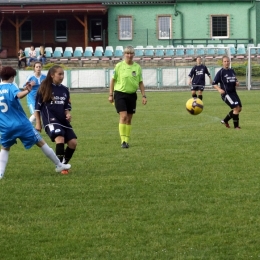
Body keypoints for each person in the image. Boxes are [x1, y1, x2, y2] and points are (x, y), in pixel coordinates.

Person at [0, 66, 71, 180]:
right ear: (12, 77)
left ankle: (0, 174)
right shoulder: (10, 86)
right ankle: (59, 165)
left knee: (5, 148)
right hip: (21, 124)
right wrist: (27, 90)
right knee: (41, 143)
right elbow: (18, 95)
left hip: (4, 126)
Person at [35, 65, 77, 174]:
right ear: (52, 75)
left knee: (73, 143)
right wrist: (38, 124)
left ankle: (63, 163)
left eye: (63, 74)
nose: (62, 76)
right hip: (50, 120)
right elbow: (37, 108)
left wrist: (68, 114)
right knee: (60, 138)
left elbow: (66, 107)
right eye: (59, 74)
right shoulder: (44, 88)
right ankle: (60, 167)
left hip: (63, 120)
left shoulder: (64, 90)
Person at [108, 45, 147, 148]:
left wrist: (144, 96)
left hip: (132, 95)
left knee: (129, 119)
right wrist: (110, 94)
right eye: (127, 53)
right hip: (120, 94)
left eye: (131, 53)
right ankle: (123, 141)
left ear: (133, 55)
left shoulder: (137, 67)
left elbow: (140, 82)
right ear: (124, 54)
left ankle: (127, 140)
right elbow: (112, 80)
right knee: (123, 116)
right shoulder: (119, 66)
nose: (129, 55)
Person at [212, 55, 242, 129]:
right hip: (226, 94)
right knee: (236, 108)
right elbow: (214, 83)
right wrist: (219, 89)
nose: (226, 63)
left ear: (229, 62)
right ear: (222, 63)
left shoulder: (231, 70)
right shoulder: (220, 72)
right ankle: (236, 127)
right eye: (225, 61)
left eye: (228, 61)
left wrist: (237, 82)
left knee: (239, 108)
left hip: (233, 93)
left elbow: (235, 79)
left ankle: (225, 120)